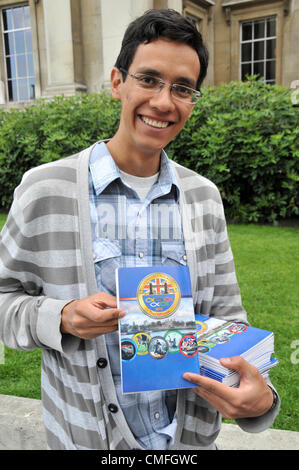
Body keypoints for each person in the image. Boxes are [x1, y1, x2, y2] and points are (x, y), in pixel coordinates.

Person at [0, 9, 279, 450]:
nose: (164, 102)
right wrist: (62, 316)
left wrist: (259, 395)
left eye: (183, 88)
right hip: (85, 440)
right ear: (117, 82)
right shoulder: (45, 189)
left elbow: (228, 321)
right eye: (149, 79)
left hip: (188, 443)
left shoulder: (203, 196)